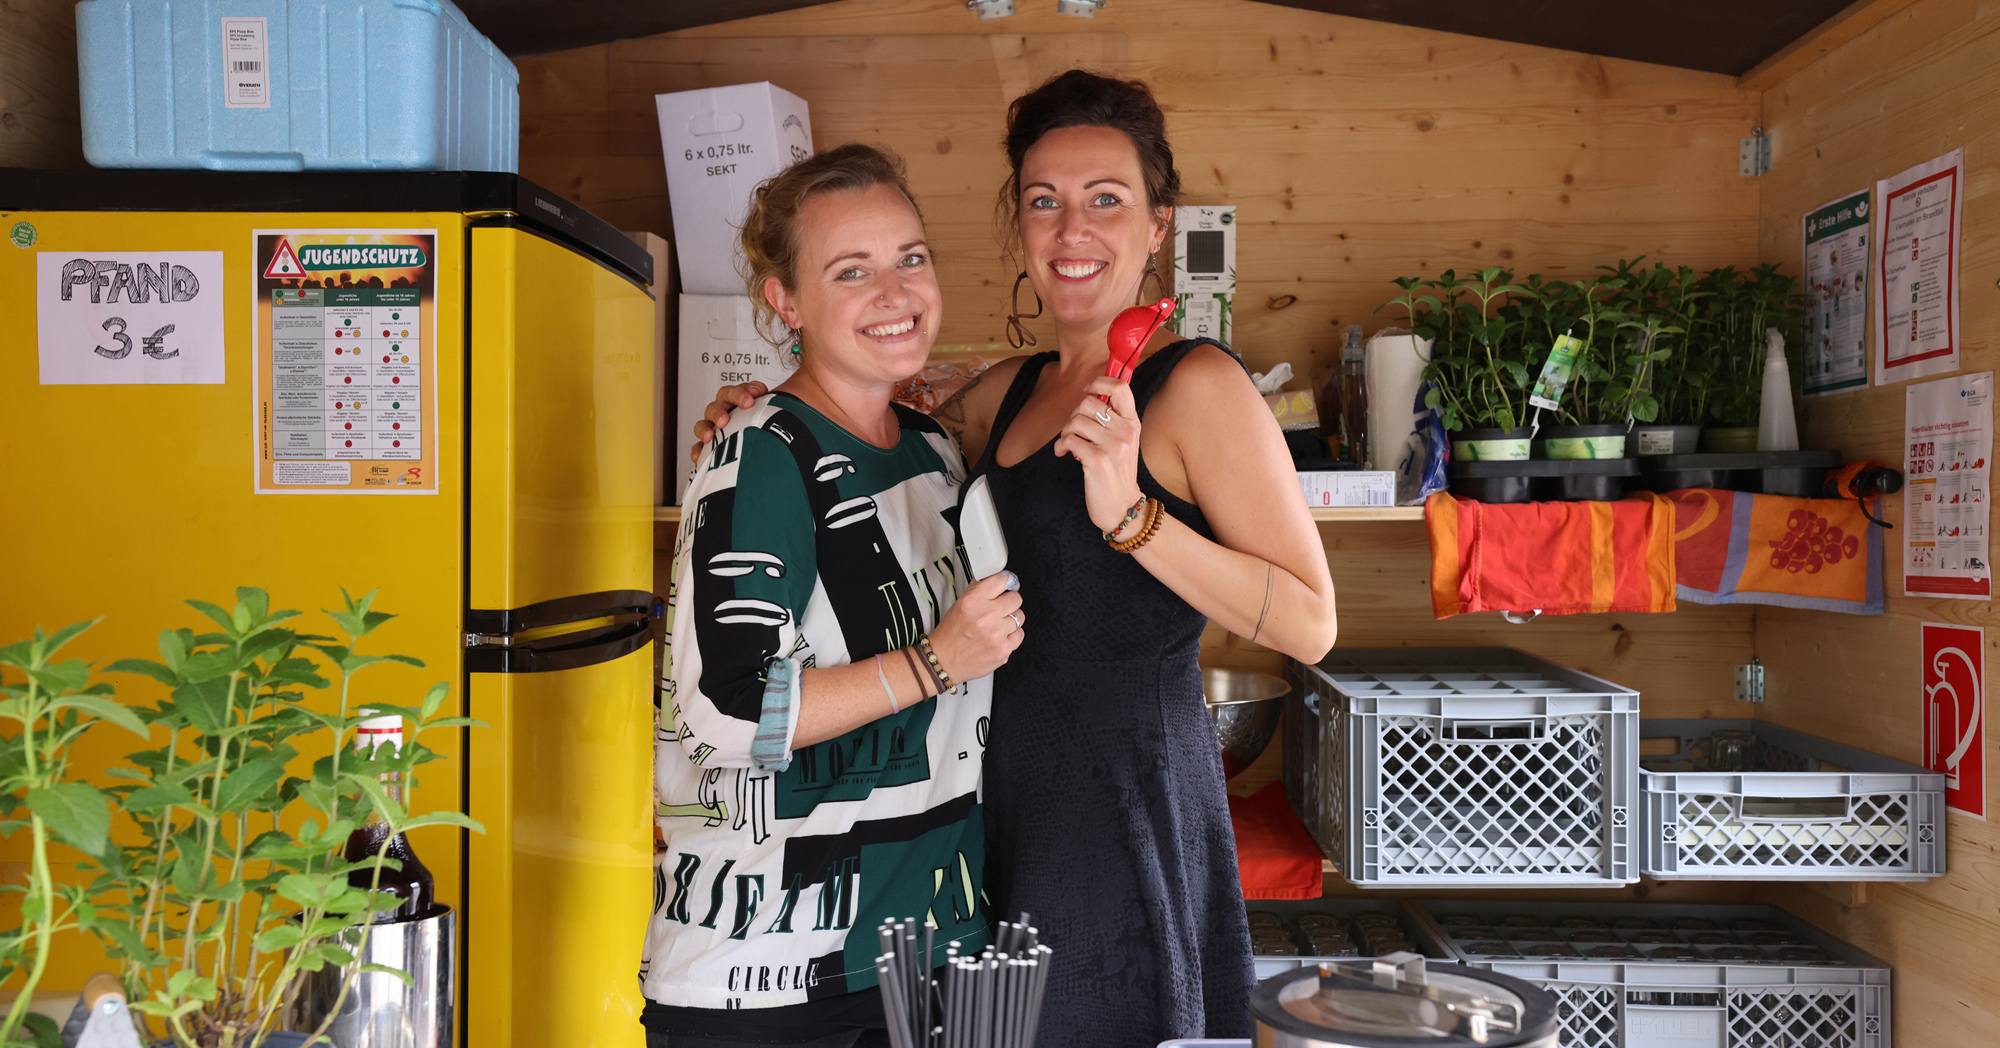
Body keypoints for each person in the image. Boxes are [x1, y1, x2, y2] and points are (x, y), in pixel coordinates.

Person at [692, 70, 1337, 1047]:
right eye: (1044, 202)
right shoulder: (1008, 389)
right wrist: (765, 410)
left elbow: (1307, 620)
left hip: (1118, 818)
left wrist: (1129, 516)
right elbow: (866, 425)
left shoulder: (1194, 387)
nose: (1071, 229)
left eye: (1105, 201)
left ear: (1158, 225)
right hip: (985, 823)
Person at [644, 144, 1026, 1048]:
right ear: (786, 301)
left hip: (926, 949)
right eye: (851, 271)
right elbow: (731, 712)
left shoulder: (934, 452)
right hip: (768, 983)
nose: (895, 294)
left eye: (911, 258)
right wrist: (939, 661)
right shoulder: (761, 454)